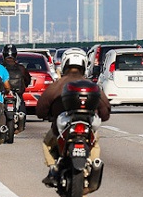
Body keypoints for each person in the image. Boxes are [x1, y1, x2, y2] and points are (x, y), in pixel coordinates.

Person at [35, 48, 110, 187]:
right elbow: (105, 111)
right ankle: (94, 165)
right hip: (87, 129)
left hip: (62, 131)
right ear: (84, 65)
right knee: (94, 145)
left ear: (64, 64)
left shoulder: (56, 85)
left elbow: (40, 109)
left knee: (47, 143)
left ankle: (53, 169)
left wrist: (49, 115)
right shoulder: (92, 86)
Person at [1, 44, 30, 131]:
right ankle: (21, 122)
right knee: (21, 106)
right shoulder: (21, 68)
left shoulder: (0, 67)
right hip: (17, 93)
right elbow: (27, 80)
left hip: (4, 92)